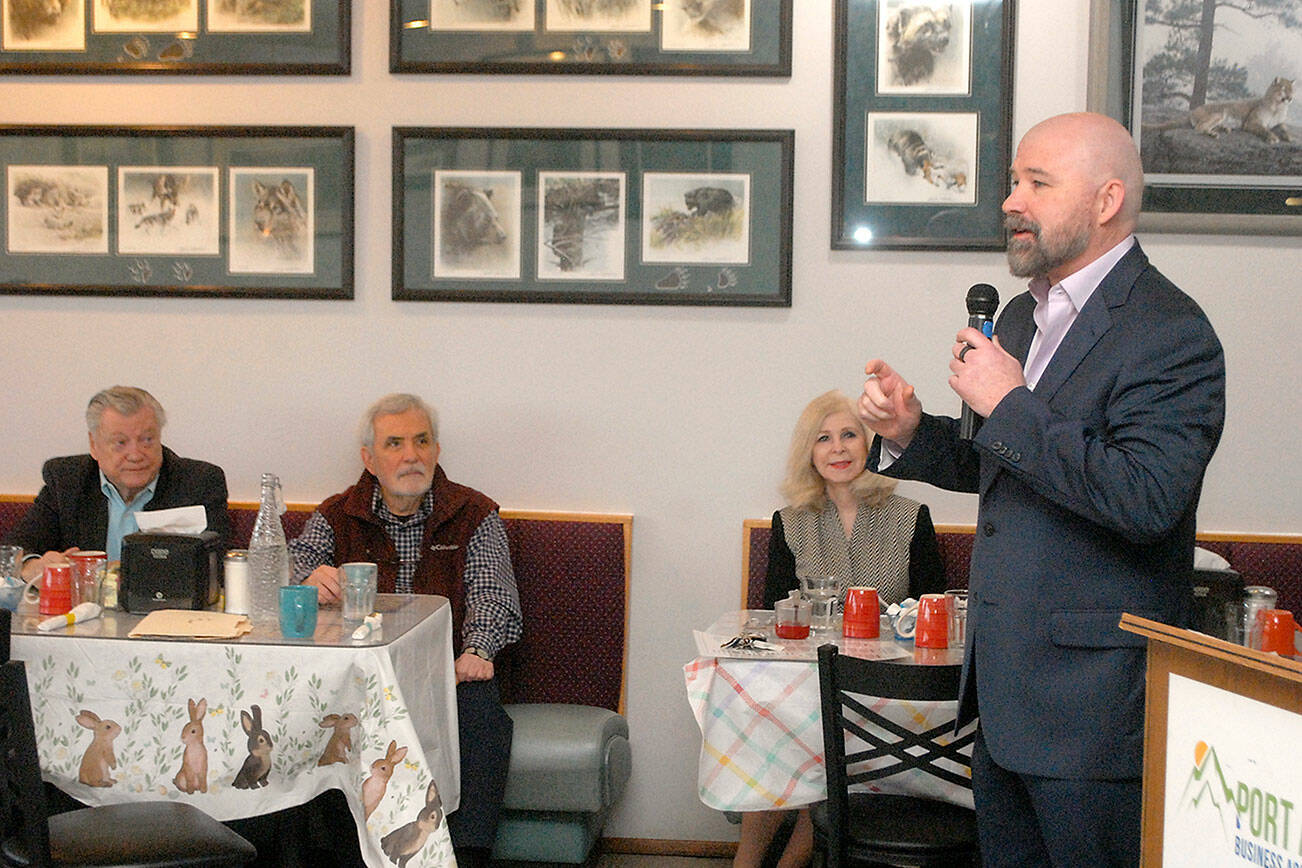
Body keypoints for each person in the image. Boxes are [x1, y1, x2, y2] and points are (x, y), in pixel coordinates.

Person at [857, 112, 1225, 866]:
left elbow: (1146, 500)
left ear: (1106, 200)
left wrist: (1012, 403)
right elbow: (1000, 463)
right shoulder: (1024, 315)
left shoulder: (1171, 331)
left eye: (1037, 183)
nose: (1010, 201)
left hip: (1094, 710)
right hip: (1003, 693)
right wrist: (908, 431)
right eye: (1012, 182)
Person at [289, 393, 521, 868]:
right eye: (394, 444)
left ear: (437, 451)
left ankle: (467, 854)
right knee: (309, 712)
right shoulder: (336, 514)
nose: (411, 455)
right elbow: (292, 570)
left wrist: (476, 651)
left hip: (448, 674)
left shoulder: (475, 513)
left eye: (421, 441)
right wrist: (307, 581)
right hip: (358, 676)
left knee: (482, 717)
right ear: (369, 459)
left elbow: (493, 596)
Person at [739, 390, 945, 868]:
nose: (838, 449)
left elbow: (935, 615)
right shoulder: (790, 522)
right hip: (809, 684)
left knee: (812, 742)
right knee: (778, 731)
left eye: (849, 435)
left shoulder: (911, 516)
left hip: (891, 691)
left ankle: (797, 853)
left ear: (871, 443)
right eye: (823, 439)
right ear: (808, 454)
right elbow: (774, 619)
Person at [4, 385, 230, 581]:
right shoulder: (67, 480)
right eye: (120, 442)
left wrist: (111, 571)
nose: (135, 454)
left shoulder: (199, 482)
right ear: (94, 445)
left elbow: (215, 567)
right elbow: (17, 548)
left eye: (147, 440)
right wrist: (31, 566)